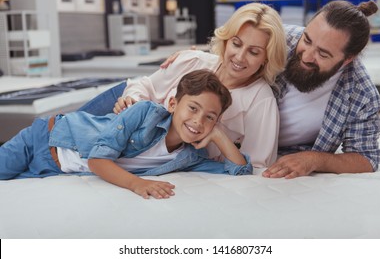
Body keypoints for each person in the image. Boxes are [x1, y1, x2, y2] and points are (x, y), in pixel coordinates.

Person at [147, 0, 380, 179]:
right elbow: (240, 43)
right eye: (308, 39)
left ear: (347, 59)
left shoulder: (361, 94)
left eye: (323, 54)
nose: (307, 55)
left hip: (274, 153)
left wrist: (314, 160)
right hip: (227, 134)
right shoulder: (285, 38)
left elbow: (366, 158)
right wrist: (191, 58)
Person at [78, 2, 288, 169]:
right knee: (55, 135)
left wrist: (219, 139)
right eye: (236, 43)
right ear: (226, 40)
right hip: (122, 113)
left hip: (152, 155)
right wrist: (133, 103)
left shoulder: (261, 101)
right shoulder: (193, 61)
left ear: (266, 58)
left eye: (253, 52)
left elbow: (257, 165)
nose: (240, 57)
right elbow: (145, 86)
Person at [0, 70, 253, 199]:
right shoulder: (145, 113)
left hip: (54, 169)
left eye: (210, 117)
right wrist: (138, 184)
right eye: (193, 108)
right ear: (173, 104)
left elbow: (239, 169)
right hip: (44, 139)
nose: (198, 121)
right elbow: (97, 160)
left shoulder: (190, 156)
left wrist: (218, 134)